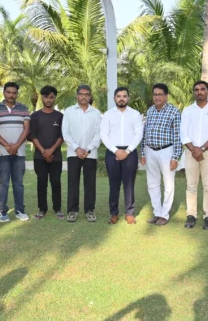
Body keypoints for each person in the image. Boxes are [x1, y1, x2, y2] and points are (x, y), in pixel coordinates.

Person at [180, 80, 208, 231]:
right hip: (191, 153)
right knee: (191, 186)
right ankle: (191, 215)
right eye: (196, 90)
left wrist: (202, 149)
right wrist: (194, 150)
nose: (199, 92)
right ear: (194, 92)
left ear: (207, 91)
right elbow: (183, 133)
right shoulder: (187, 110)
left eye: (202, 89)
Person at [100, 87, 144, 225]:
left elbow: (139, 133)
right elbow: (104, 134)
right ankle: (114, 213)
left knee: (129, 184)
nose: (121, 99)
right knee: (114, 184)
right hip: (112, 152)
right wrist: (116, 151)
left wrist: (128, 151)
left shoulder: (135, 114)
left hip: (130, 152)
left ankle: (129, 213)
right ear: (114, 98)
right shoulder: (108, 115)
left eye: (124, 96)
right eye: (118, 96)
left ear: (128, 98)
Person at [140, 83, 182, 226]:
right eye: (155, 94)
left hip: (166, 151)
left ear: (166, 96)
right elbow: (145, 133)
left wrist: (175, 157)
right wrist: (143, 153)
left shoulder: (174, 112)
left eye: (160, 94)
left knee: (168, 184)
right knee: (152, 183)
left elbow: (177, 136)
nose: (157, 97)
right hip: (150, 150)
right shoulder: (150, 110)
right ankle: (157, 212)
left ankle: (165, 214)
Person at [0, 82, 31, 222]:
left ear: (17, 94)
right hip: (2, 152)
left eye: (14, 93)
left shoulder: (24, 109)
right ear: (4, 92)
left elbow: (26, 129)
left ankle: (20, 210)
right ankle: (2, 211)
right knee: (3, 183)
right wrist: (7, 145)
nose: (11, 95)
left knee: (18, 183)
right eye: (8, 92)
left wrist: (16, 146)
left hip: (19, 152)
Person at [62, 84, 102, 222]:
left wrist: (88, 149)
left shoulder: (96, 113)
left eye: (86, 94)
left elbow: (98, 134)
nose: (83, 96)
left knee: (90, 183)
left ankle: (90, 210)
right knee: (73, 182)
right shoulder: (69, 111)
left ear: (90, 96)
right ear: (77, 95)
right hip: (73, 153)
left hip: (91, 153)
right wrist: (77, 148)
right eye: (81, 94)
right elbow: (65, 133)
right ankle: (72, 211)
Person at [30, 85, 65, 220]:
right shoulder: (35, 116)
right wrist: (44, 151)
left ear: (55, 98)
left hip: (56, 157)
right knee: (41, 182)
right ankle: (42, 209)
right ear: (42, 98)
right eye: (46, 97)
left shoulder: (60, 116)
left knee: (56, 182)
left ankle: (58, 209)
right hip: (40, 157)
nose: (49, 100)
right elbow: (33, 136)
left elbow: (61, 136)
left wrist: (51, 151)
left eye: (51, 97)